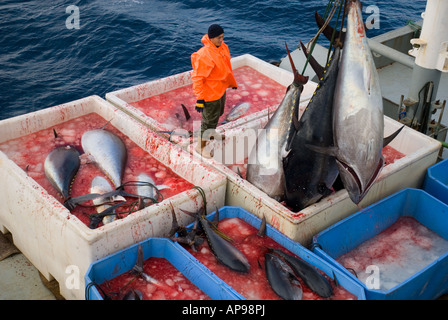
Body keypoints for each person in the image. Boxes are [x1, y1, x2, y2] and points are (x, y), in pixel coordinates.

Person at [191, 24, 238, 158]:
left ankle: (212, 133)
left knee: (218, 114)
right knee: (208, 122)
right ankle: (200, 147)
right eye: (218, 38)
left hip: (220, 90)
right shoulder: (204, 55)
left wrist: (230, 83)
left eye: (222, 37)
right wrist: (200, 98)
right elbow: (197, 78)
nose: (221, 40)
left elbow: (226, 66)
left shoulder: (223, 47)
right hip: (209, 95)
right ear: (211, 38)